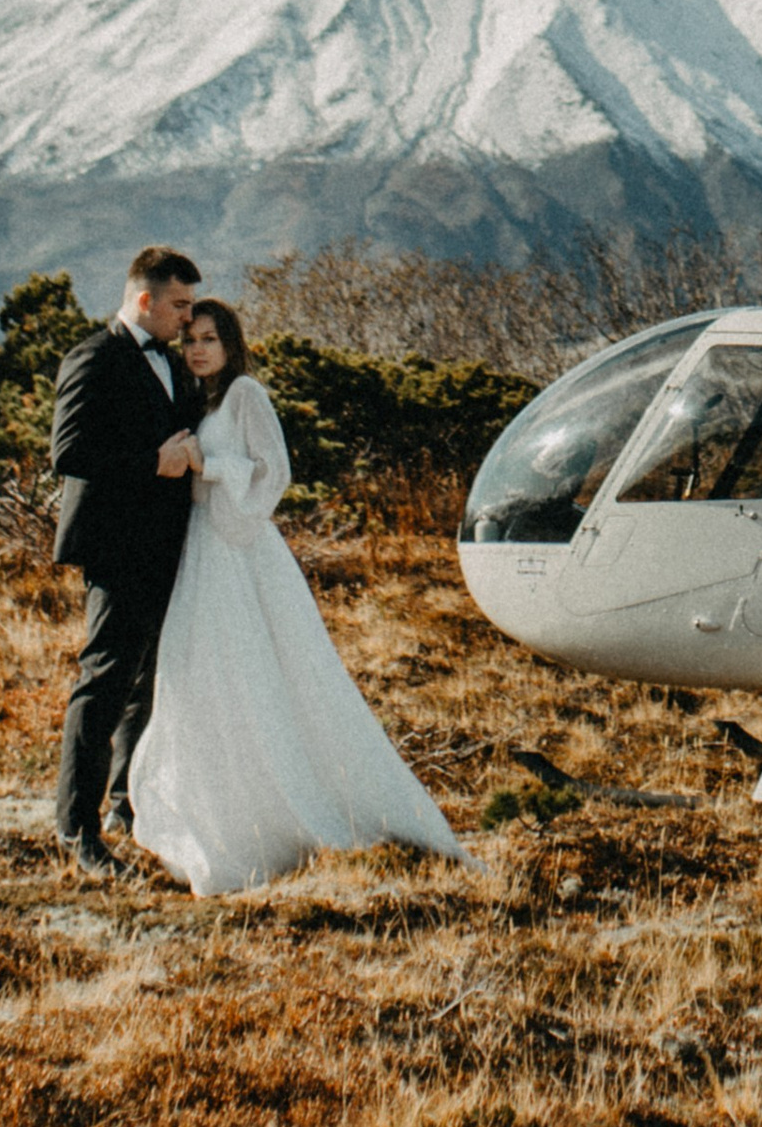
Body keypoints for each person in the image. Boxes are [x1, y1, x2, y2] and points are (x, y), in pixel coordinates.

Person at [127, 298, 467, 894]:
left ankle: (285, 812)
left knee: (256, 673)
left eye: (210, 338)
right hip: (204, 550)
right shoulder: (202, 399)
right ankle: (221, 809)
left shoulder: (245, 396)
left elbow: (274, 471)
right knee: (204, 677)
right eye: (190, 340)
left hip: (239, 549)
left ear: (231, 343)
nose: (198, 349)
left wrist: (209, 466)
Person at [49, 245, 206, 879]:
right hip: (118, 548)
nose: (187, 318)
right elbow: (70, 453)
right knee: (105, 682)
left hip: (169, 547)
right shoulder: (93, 357)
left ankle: (126, 806)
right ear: (144, 300)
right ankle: (76, 830)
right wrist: (152, 463)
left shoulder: (172, 363)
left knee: (147, 684)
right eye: (178, 305)